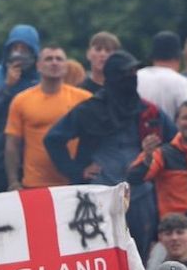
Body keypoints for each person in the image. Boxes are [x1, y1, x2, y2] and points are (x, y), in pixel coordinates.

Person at [46, 50, 175, 257]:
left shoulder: (148, 111)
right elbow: (53, 139)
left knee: (139, 258)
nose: (131, 76)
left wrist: (156, 158)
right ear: (113, 77)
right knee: (99, 254)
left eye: (134, 71)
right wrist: (76, 171)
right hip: (99, 194)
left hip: (140, 195)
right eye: (126, 72)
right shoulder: (89, 110)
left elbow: (174, 142)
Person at [4, 45, 91, 189]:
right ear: (38, 66)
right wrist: (13, 181)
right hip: (35, 184)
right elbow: (12, 144)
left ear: (66, 66)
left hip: (74, 183)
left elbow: (99, 137)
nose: (54, 63)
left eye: (59, 59)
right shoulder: (21, 100)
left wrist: (95, 163)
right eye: (49, 59)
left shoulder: (84, 99)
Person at [0, 25, 41, 194]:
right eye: (15, 48)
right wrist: (6, 87)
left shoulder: (41, 78)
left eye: (24, 49)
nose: (18, 54)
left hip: (34, 160)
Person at [137, 31, 187, 118]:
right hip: (172, 131)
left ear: (152, 56)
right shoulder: (182, 83)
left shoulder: (135, 78)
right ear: (179, 57)